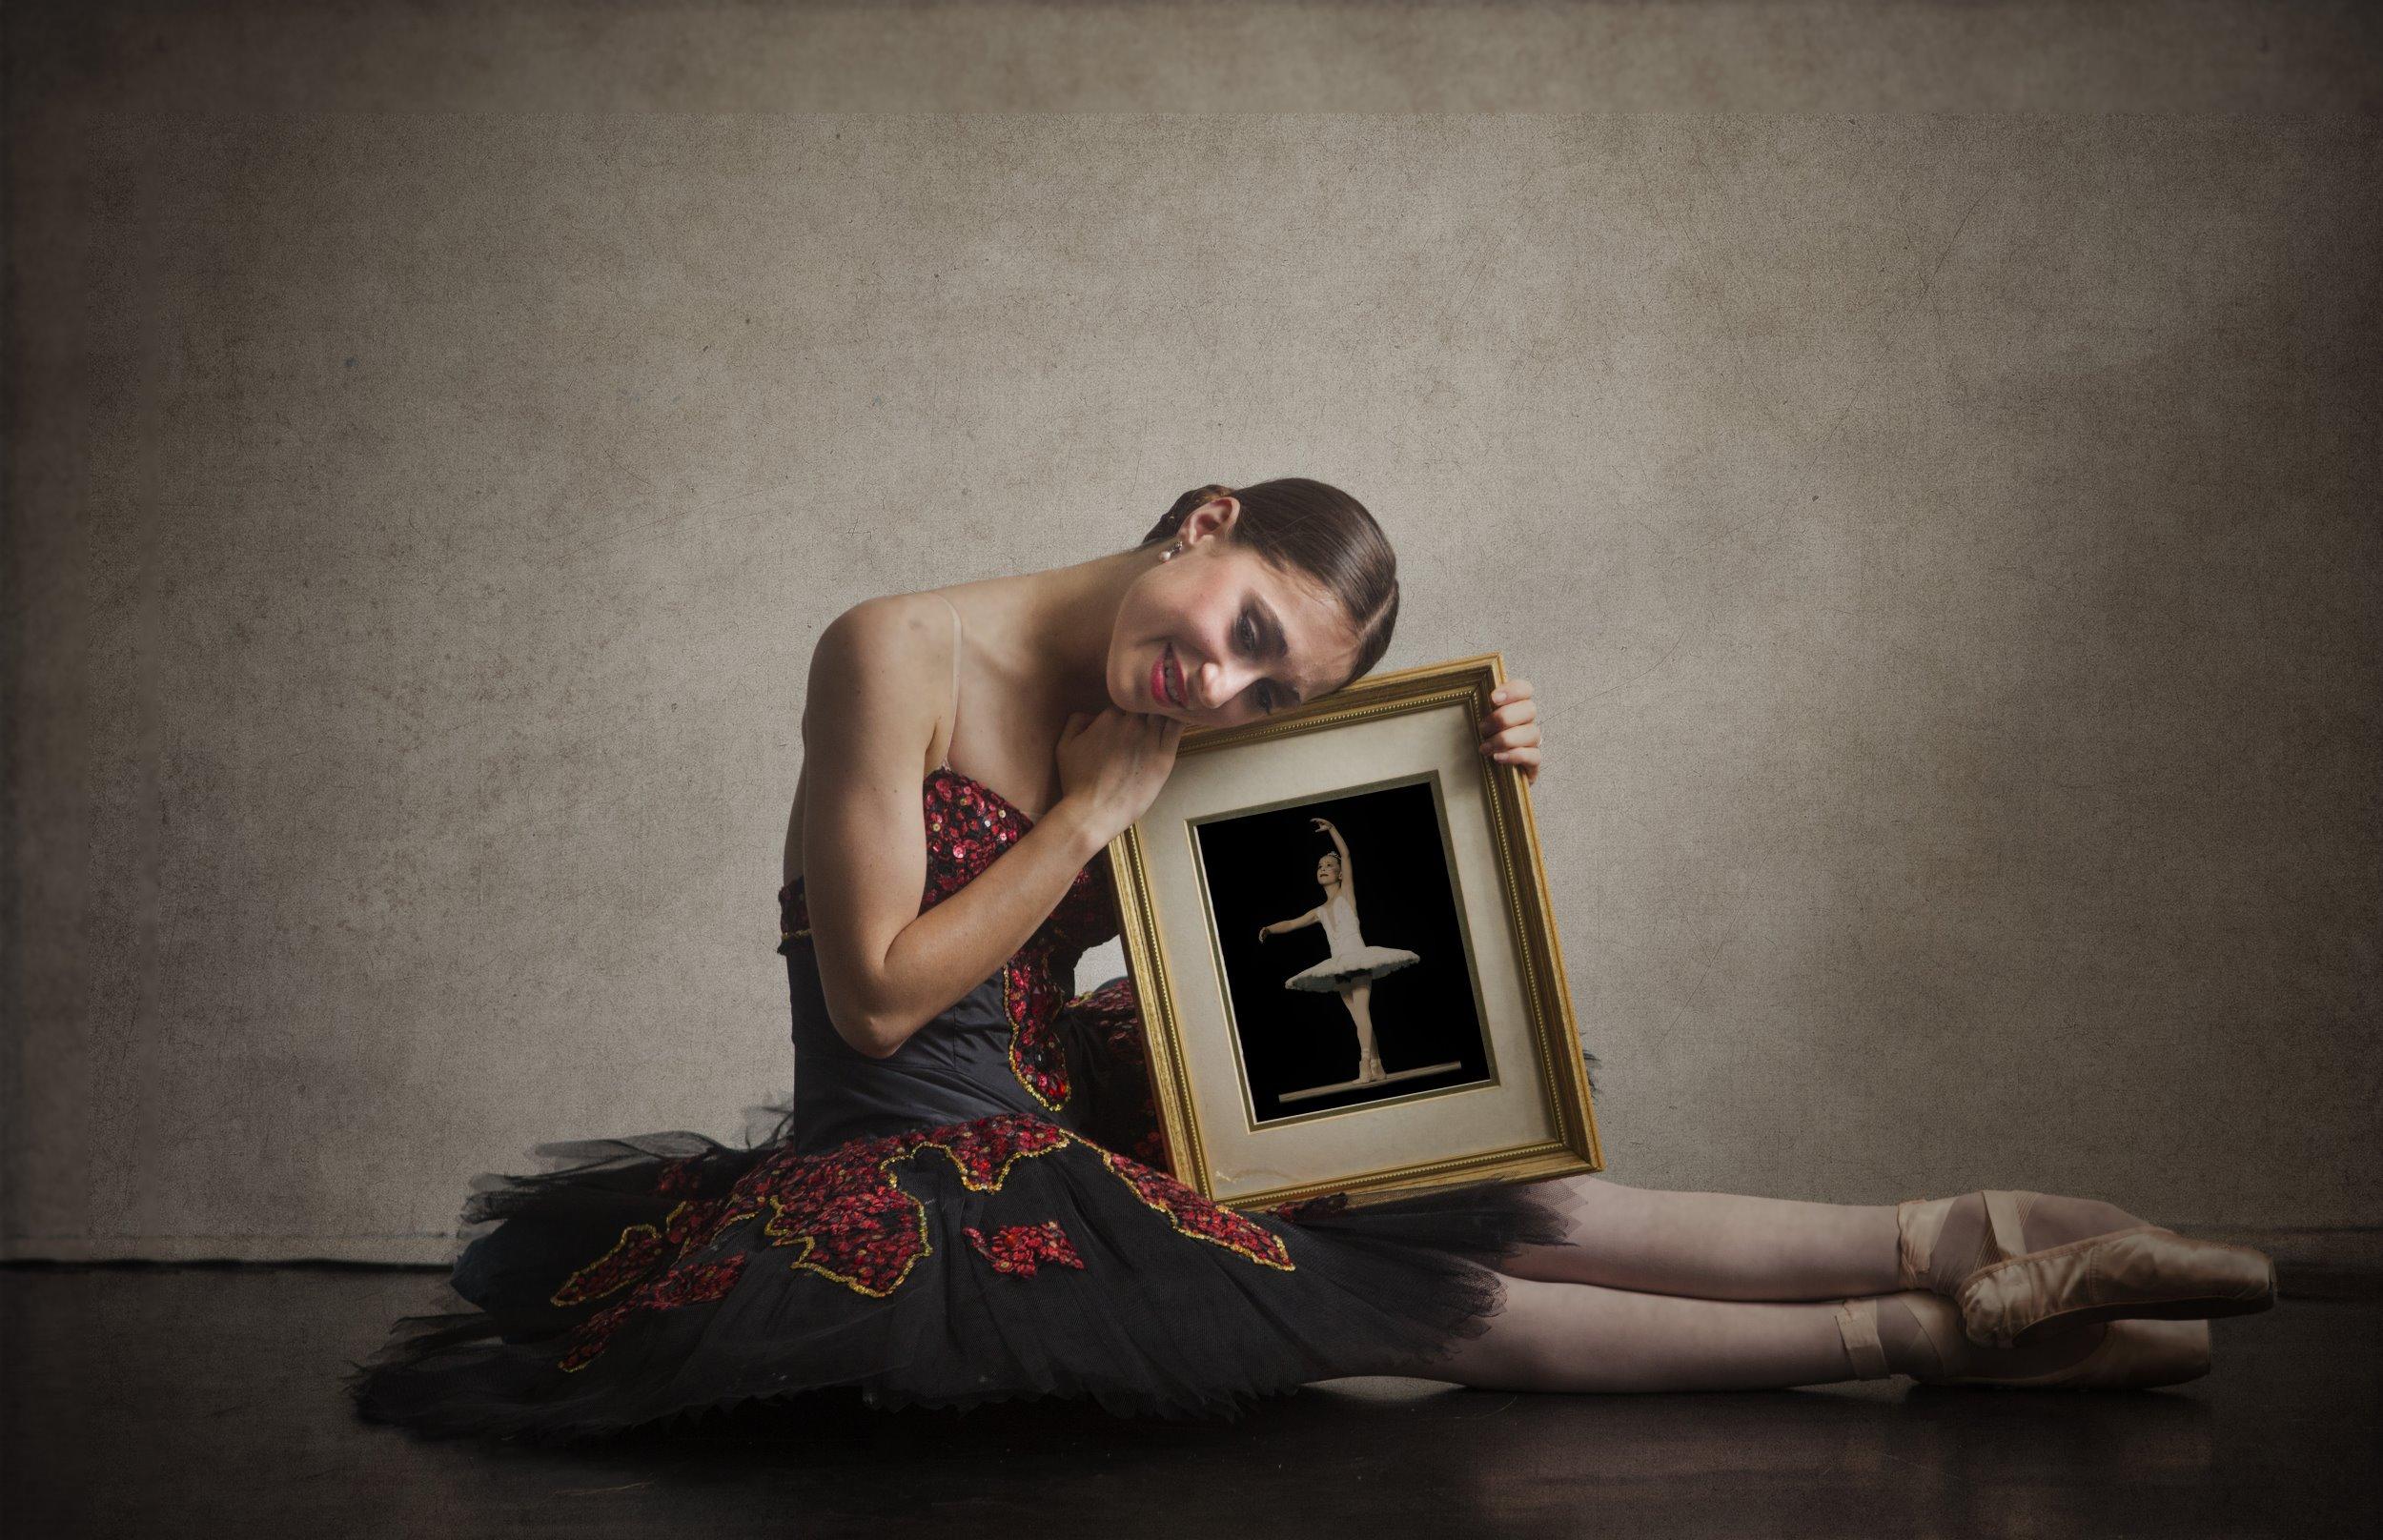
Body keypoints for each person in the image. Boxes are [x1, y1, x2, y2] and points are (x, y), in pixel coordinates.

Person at [347, 479, 2277, 1444]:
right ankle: (1933, 1333)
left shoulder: (1207, 716)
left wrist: (1462, 772)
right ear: (1198, 525)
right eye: (1239, 626)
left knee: (1478, 1198)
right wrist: (1094, 818)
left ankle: (1957, 1239)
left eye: (1275, 682)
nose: (1223, 683)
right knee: (1383, 1304)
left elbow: (1304, 936)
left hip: (1086, 1110)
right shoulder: (895, 649)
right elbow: (872, 995)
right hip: (909, 1168)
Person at [1261, 818, 1422, 1085]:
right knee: (1358, 1018)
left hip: (1357, 958)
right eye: (1320, 866)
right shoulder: (1319, 911)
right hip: (1338, 964)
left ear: (1340, 874)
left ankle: (1364, 1065)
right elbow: (1291, 923)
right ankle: (1379, 1066)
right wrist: (1269, 928)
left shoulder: (1347, 893)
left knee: (1362, 1014)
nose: (1323, 869)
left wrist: (1332, 830)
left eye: (1329, 866)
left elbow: (1345, 854)